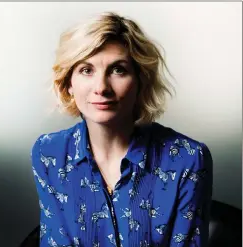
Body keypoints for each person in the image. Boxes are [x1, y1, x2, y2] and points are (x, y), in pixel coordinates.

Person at [31, 11, 213, 247]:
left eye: (118, 70)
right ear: (69, 83)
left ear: (140, 81)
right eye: (87, 70)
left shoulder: (188, 159)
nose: (101, 87)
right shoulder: (49, 154)